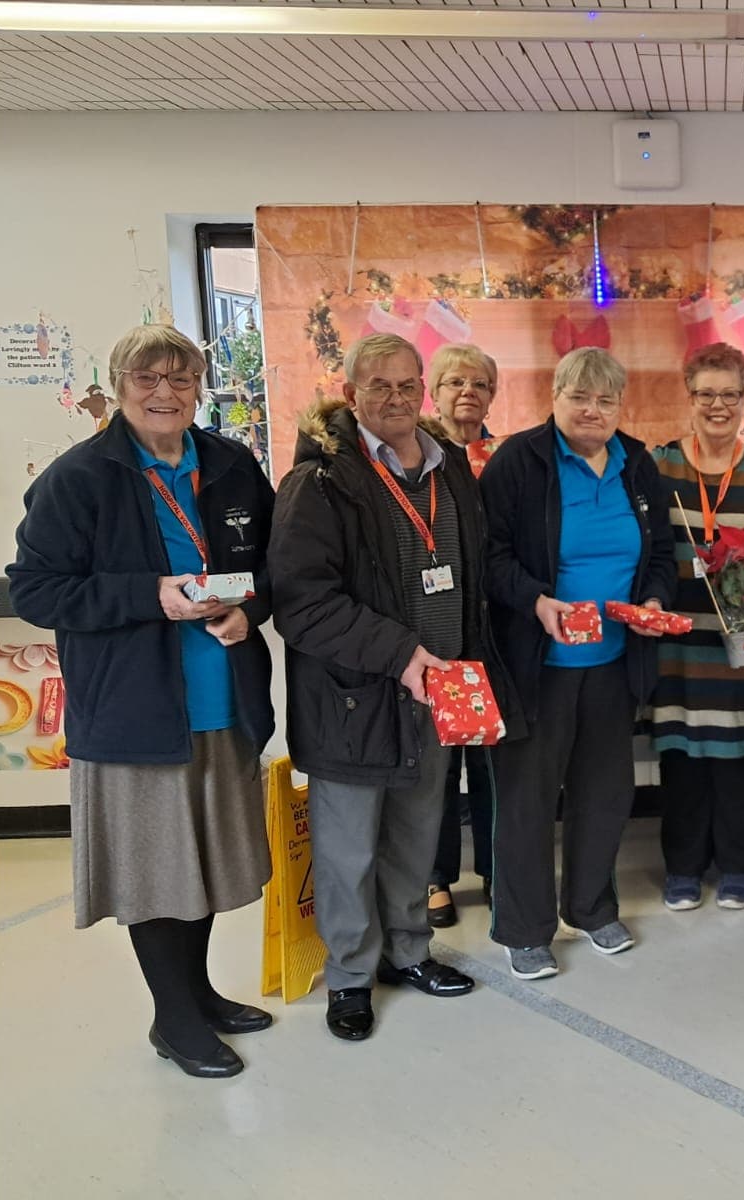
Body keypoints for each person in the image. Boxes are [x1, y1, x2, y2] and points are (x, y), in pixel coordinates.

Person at [9, 325, 275, 1078]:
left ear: (198, 386)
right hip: (135, 711)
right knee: (159, 873)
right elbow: (36, 588)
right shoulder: (80, 477)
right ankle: (173, 1021)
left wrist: (247, 612)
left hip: (222, 699)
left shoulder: (228, 462)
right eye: (147, 378)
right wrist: (149, 596)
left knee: (205, 860)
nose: (164, 393)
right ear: (120, 384)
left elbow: (272, 564)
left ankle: (197, 994)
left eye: (180, 379)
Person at [272, 332, 500, 1041]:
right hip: (354, 697)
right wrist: (401, 653)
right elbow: (303, 602)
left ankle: (408, 952)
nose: (397, 399)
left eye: (408, 385)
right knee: (347, 848)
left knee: (415, 835)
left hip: (437, 692)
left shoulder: (447, 467)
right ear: (351, 395)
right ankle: (349, 976)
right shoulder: (320, 483)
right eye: (380, 386)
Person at [481, 346, 675, 980]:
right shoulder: (518, 461)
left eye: (606, 400)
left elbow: (663, 555)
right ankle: (524, 928)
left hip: (616, 660)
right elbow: (489, 556)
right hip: (537, 662)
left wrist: (652, 600)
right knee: (527, 798)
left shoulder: (637, 463)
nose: (593, 410)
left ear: (621, 406)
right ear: (555, 397)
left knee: (604, 792)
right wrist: (536, 602)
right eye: (580, 397)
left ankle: (592, 908)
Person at [648, 343, 744, 912]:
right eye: (706, 394)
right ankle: (683, 869)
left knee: (737, 764)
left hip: (741, 644)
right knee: (682, 761)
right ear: (689, 397)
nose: (718, 405)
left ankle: (738, 867)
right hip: (676, 644)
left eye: (729, 394)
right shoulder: (659, 465)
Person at [423, 343, 499, 927]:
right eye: (454, 382)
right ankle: (434, 876)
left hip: (495, 629)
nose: (467, 391)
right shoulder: (415, 456)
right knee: (440, 763)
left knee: (498, 761)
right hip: (439, 632)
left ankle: (500, 870)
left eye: (478, 383)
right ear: (434, 391)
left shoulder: (508, 459)